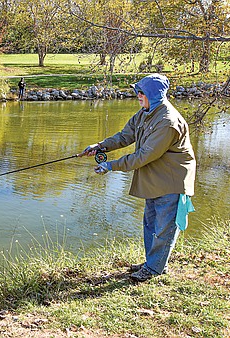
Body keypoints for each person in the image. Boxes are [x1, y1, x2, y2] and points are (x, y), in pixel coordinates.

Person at [80, 73, 196, 282]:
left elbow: (143, 156)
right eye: (137, 92)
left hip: (171, 180)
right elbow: (125, 136)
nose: (138, 96)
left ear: (155, 95)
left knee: (164, 227)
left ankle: (154, 269)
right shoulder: (145, 113)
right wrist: (101, 146)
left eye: (142, 92)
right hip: (154, 179)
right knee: (150, 223)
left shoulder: (167, 122)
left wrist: (110, 166)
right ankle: (154, 263)